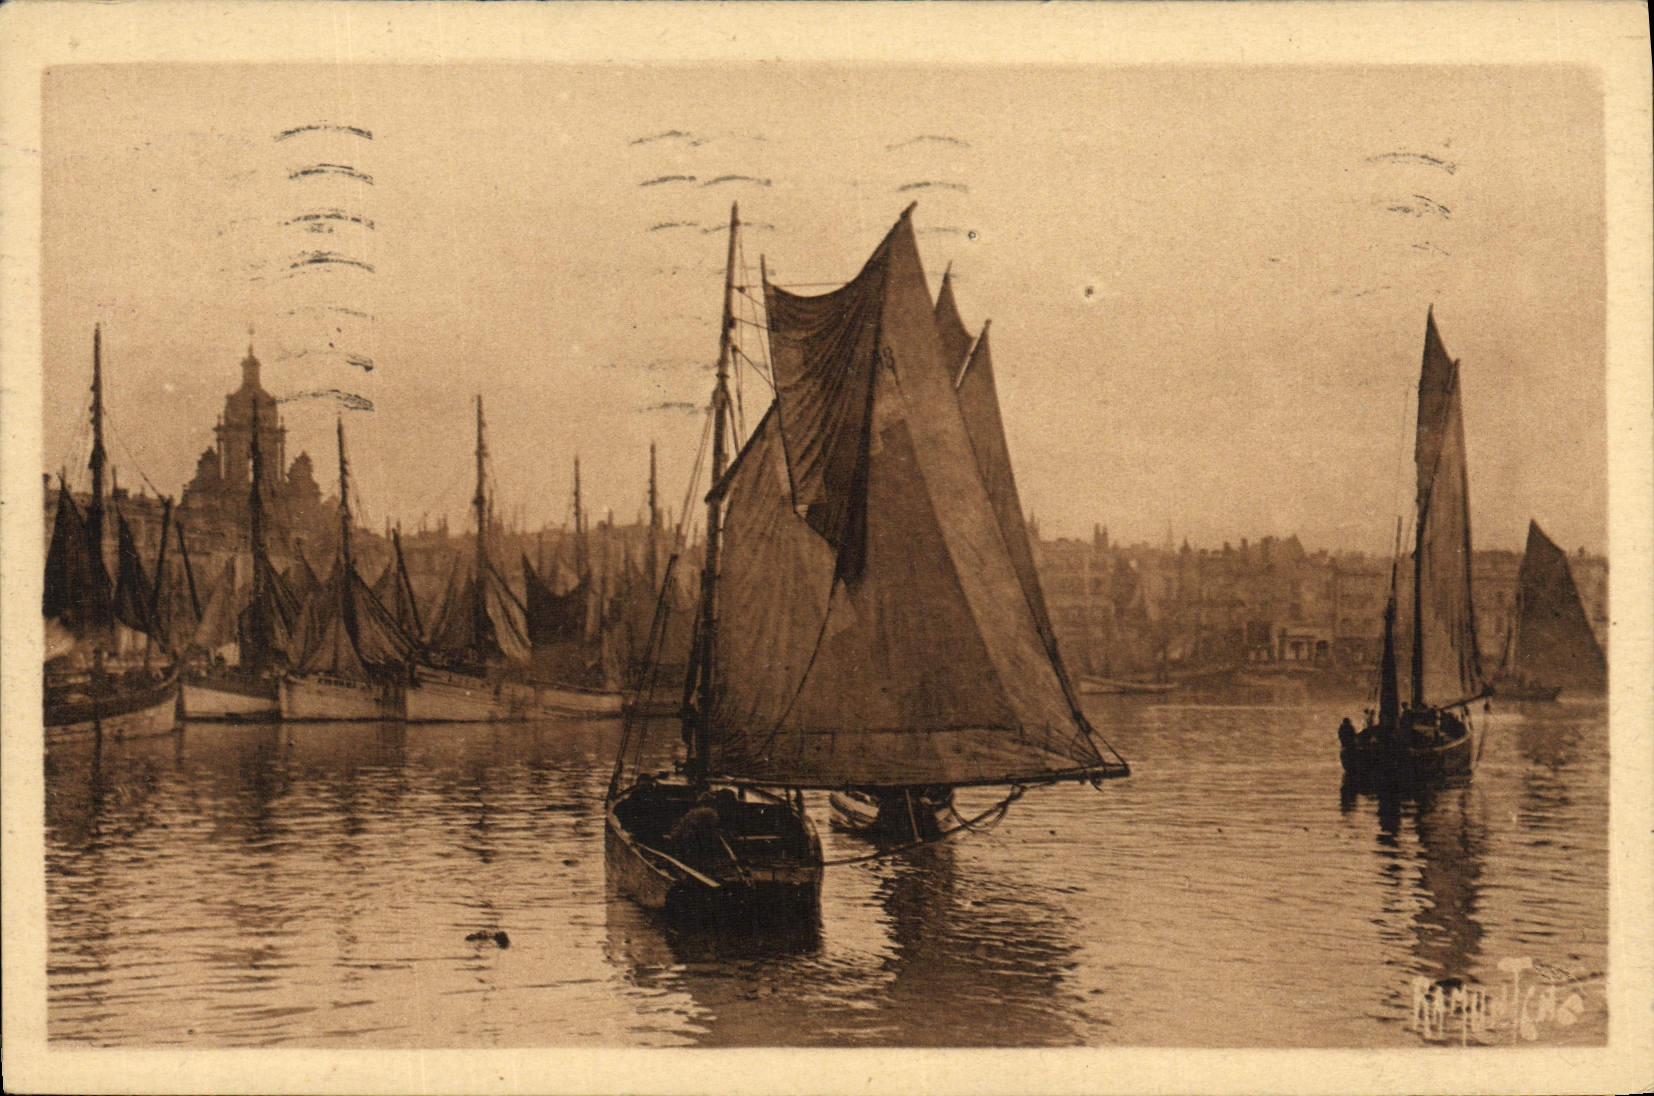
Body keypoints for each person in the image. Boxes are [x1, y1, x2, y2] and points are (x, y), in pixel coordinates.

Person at [666, 789, 726, 869]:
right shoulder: (713, 814)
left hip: (693, 840)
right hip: (706, 841)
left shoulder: (694, 813)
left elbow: (684, 826)